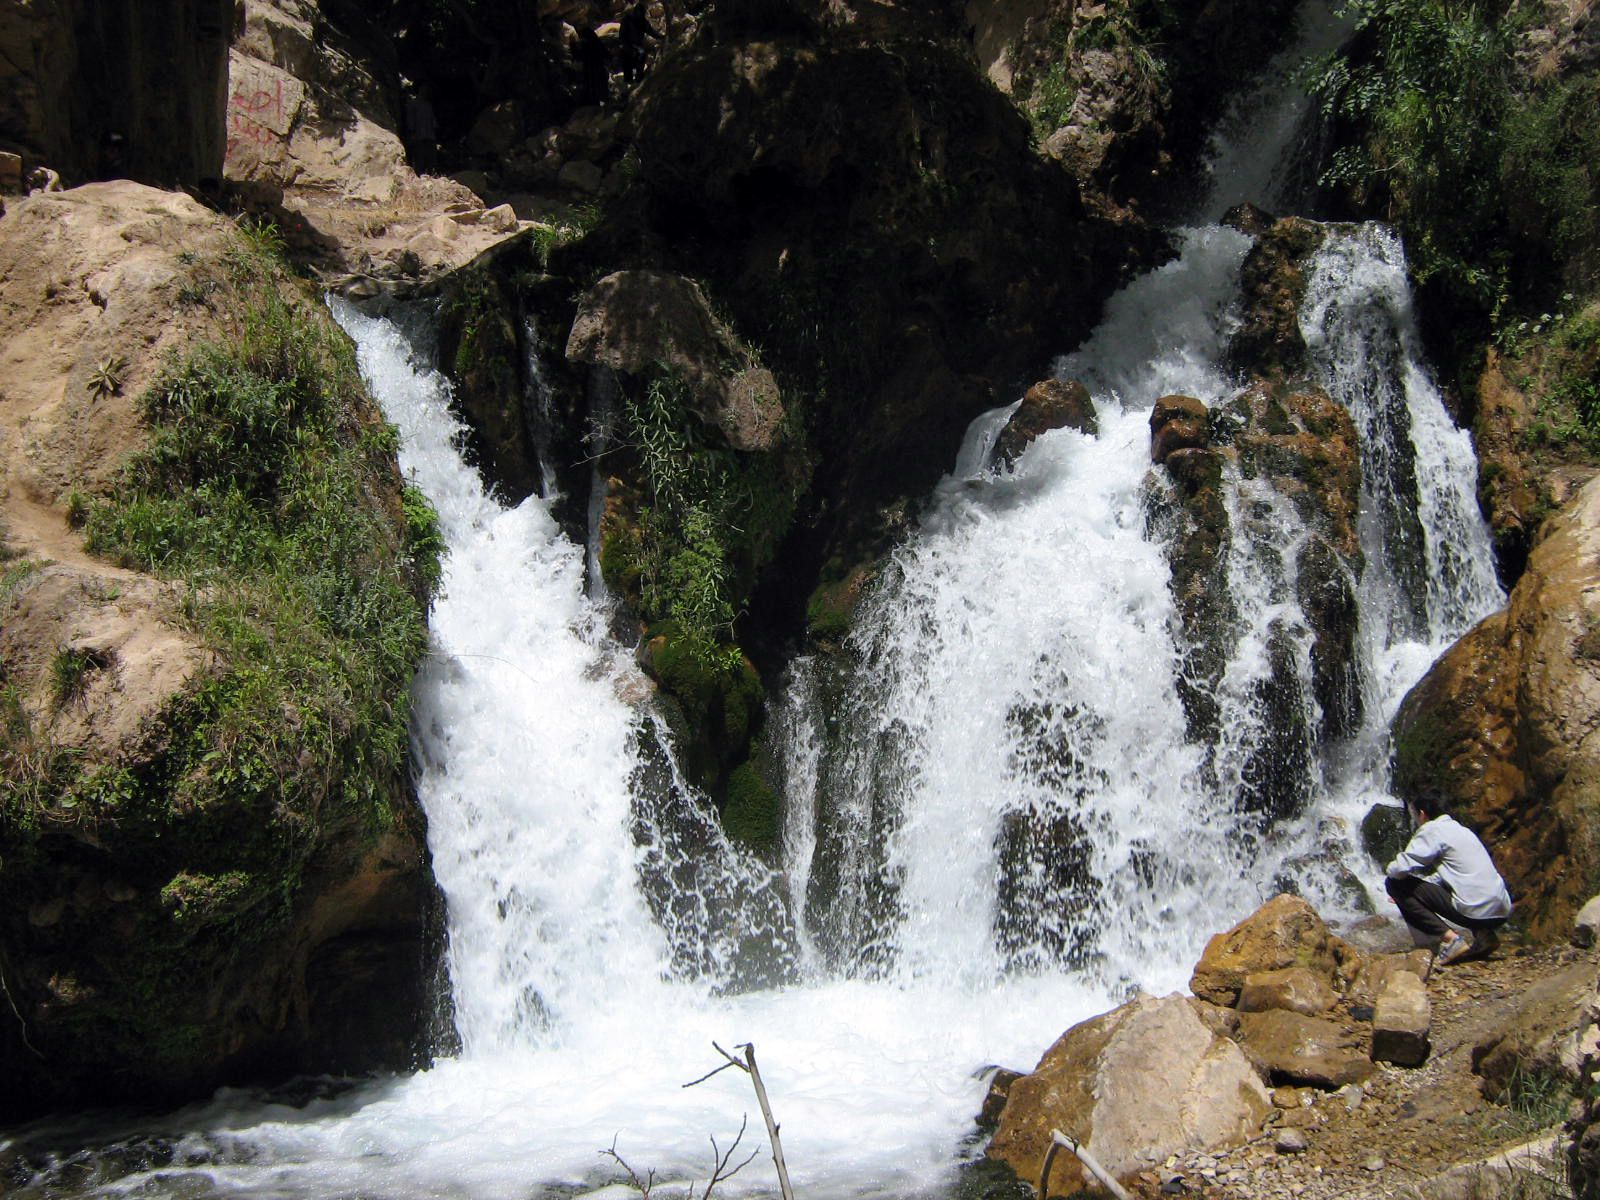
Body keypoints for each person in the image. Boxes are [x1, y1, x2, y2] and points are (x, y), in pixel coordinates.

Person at [1385, 802, 1512, 965]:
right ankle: (1485, 935)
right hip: (1501, 913)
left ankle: (1451, 940)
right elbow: (1448, 875)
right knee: (1466, 886)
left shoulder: (1432, 829)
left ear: (1422, 814)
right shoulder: (1463, 831)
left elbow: (1400, 868)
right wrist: (1414, 894)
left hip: (1475, 912)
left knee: (1393, 883)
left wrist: (1400, 889)